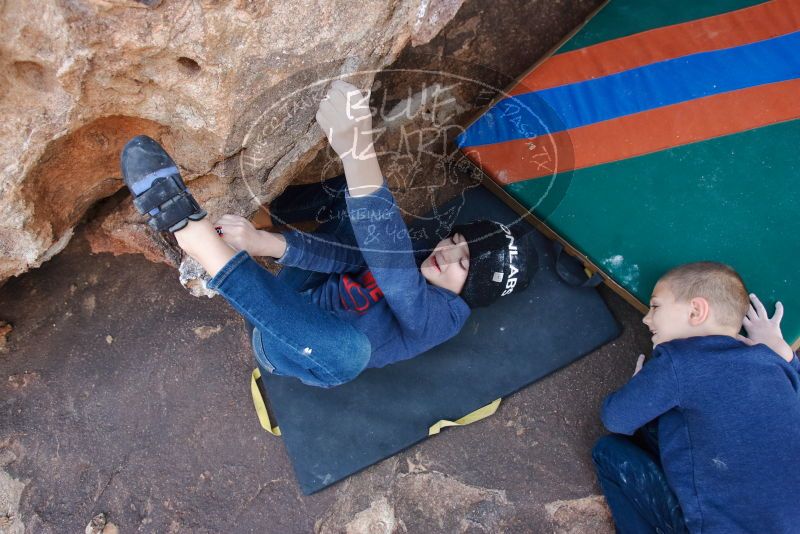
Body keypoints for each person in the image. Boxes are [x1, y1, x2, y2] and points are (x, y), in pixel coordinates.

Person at [119, 79, 535, 388]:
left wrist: (358, 149)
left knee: (351, 354)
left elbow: (395, 278)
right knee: (354, 212)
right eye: (456, 241)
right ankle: (260, 214)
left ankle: (192, 236)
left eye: (463, 263)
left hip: (291, 346)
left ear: (472, 292)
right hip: (294, 295)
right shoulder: (428, 256)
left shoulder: (446, 319)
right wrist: (263, 243)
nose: (446, 253)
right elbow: (349, 257)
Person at [592, 261, 800, 533]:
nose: (646, 318)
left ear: (696, 310)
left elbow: (616, 419)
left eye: (655, 306)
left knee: (609, 452)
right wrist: (783, 354)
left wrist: (641, 388)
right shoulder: (770, 361)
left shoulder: (679, 362)